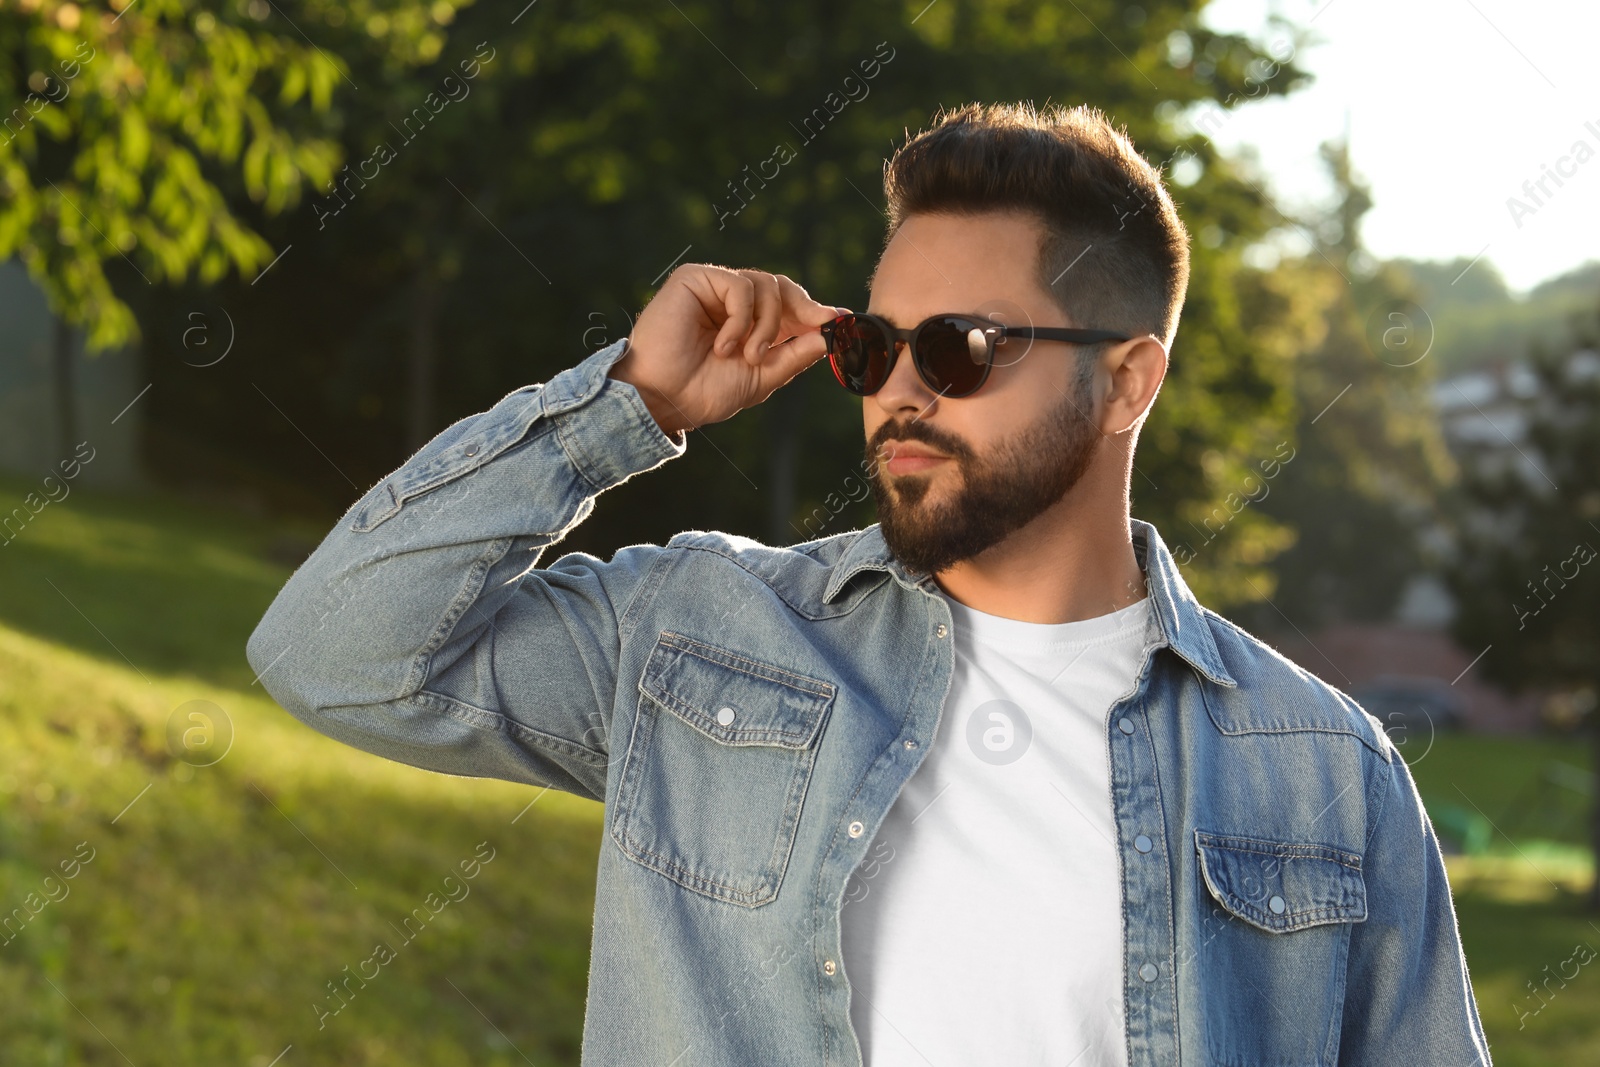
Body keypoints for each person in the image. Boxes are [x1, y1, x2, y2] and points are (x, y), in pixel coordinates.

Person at [248, 102, 1490, 1066]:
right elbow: (333, 650)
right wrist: (628, 406)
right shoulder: (701, 634)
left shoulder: (1322, 767)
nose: (900, 390)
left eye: (959, 347)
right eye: (873, 344)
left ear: (1127, 383)